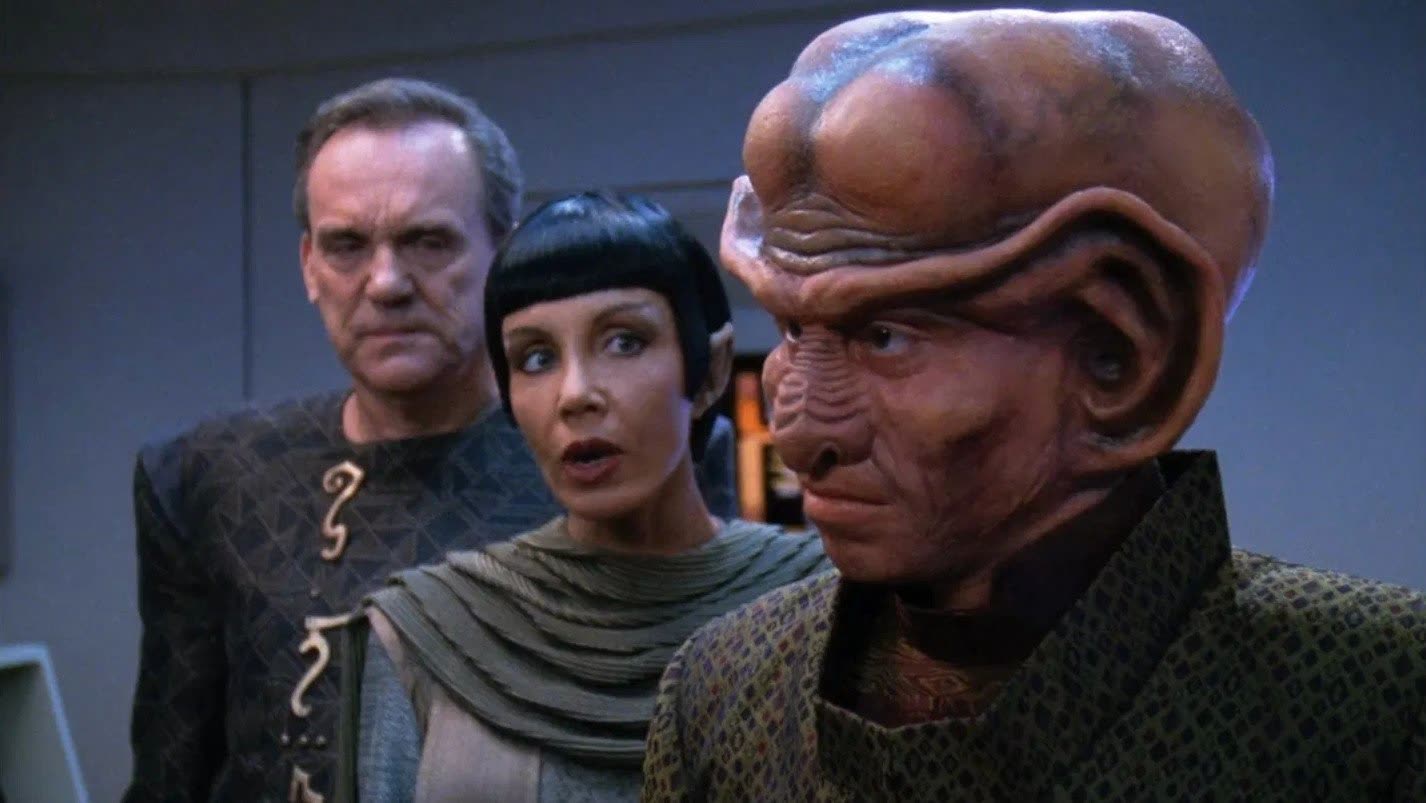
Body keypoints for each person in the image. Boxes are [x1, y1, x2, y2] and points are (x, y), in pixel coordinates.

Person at [642, 10, 1426, 801]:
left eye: (885, 336)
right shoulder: (723, 690)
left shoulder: (1378, 696)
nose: (802, 431)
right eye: (790, 327)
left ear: (1125, 356)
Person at [122, 79, 736, 803]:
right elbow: (170, 775)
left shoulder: (620, 459)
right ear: (309, 265)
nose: (386, 283)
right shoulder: (209, 475)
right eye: (347, 246)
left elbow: (703, 732)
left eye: (428, 241)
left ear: (502, 254)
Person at [333, 191, 828, 802]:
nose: (575, 394)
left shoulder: (827, 604)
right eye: (536, 357)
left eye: (624, 342)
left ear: (710, 369)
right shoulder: (428, 633)